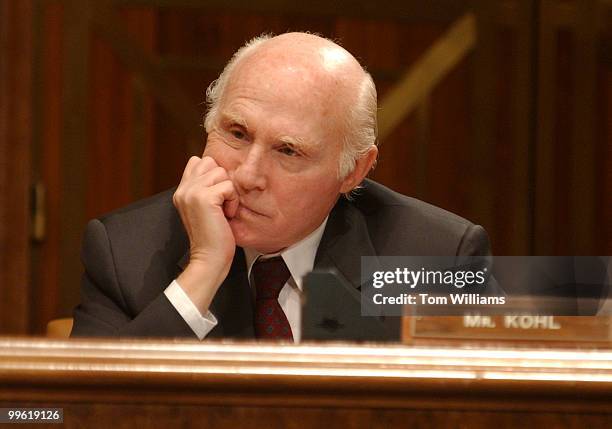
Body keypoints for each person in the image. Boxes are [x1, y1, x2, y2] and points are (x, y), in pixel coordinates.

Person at [71, 32, 491, 341]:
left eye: (288, 151)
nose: (247, 176)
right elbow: (76, 413)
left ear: (354, 172)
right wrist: (202, 271)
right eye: (236, 133)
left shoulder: (438, 259)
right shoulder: (124, 252)